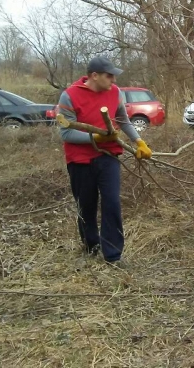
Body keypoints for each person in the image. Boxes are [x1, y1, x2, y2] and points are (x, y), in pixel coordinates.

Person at [57, 57, 153, 264]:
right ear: (94, 76)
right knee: (86, 205)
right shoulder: (69, 96)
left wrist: (139, 141)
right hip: (80, 160)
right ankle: (91, 246)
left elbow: (122, 120)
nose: (113, 79)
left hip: (108, 156)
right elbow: (65, 133)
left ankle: (113, 255)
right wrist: (97, 138)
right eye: (109, 75)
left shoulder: (115, 92)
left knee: (111, 202)